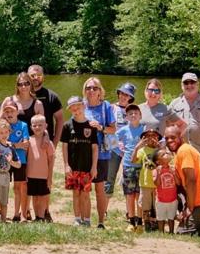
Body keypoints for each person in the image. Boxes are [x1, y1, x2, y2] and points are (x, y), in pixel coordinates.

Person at [81, 77, 119, 229]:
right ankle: (86, 220)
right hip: (83, 153)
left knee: (99, 189)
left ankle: (101, 222)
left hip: (102, 153)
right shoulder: (81, 106)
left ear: (100, 91)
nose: (91, 91)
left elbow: (113, 129)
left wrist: (100, 128)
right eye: (88, 88)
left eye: (95, 88)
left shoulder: (106, 107)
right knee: (85, 188)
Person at [61, 96, 98, 227]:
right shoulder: (67, 125)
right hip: (73, 166)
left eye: (78, 107)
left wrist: (94, 166)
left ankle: (87, 219)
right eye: (73, 109)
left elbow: (94, 148)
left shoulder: (91, 125)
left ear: (84, 106)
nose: (76, 110)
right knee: (76, 193)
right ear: (70, 110)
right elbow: (64, 147)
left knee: (85, 194)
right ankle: (77, 219)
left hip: (87, 166)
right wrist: (66, 165)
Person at [0, 100, 31, 222]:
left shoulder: (23, 125)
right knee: (3, 186)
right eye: (6, 111)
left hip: (20, 160)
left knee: (19, 187)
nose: (9, 113)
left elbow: (26, 144)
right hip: (5, 160)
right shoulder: (3, 125)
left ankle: (19, 214)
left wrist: (11, 144)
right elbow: (1, 141)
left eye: (12, 110)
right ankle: (1, 213)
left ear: (17, 111)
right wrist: (17, 144)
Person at [126, 126, 161, 231]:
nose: (151, 138)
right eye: (148, 136)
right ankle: (146, 224)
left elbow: (167, 159)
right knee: (145, 205)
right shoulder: (142, 150)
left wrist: (160, 147)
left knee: (156, 205)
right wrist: (137, 147)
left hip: (157, 183)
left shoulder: (160, 150)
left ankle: (155, 223)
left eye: (154, 136)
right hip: (145, 183)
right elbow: (133, 160)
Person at [169, 72, 200, 151]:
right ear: (182, 85)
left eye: (192, 82)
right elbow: (168, 127)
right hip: (182, 150)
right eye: (186, 83)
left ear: (198, 84)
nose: (189, 85)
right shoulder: (174, 104)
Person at [26, 115, 56, 223]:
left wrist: (50, 176)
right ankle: (37, 217)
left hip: (43, 175)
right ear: (31, 127)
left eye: (40, 125)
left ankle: (42, 216)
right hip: (31, 174)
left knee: (42, 196)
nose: (37, 127)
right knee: (35, 196)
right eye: (34, 125)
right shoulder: (29, 140)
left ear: (45, 126)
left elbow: (51, 159)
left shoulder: (48, 142)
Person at [28, 65, 65, 143]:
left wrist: (54, 143)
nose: (36, 77)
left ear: (43, 77)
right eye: (32, 75)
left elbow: (60, 120)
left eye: (39, 75)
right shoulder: (22, 94)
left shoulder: (52, 96)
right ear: (27, 77)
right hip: (25, 142)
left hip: (45, 142)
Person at [153, 150, 179, 234]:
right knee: (161, 218)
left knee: (171, 217)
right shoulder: (156, 170)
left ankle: (171, 232)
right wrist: (159, 174)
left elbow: (178, 183)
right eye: (163, 154)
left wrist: (174, 174)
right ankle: (161, 232)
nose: (167, 154)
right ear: (158, 161)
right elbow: (156, 184)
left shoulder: (173, 168)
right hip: (161, 200)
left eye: (167, 153)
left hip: (173, 199)